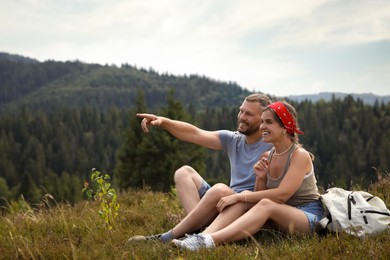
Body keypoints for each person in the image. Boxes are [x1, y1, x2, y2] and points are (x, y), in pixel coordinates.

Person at [172, 101, 324, 250]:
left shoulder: (299, 155)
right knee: (256, 203)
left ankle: (207, 241)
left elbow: (281, 196)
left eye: (269, 122)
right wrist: (261, 177)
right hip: (281, 216)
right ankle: (200, 236)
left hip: (307, 216)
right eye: (262, 121)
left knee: (263, 204)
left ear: (285, 127)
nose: (262, 126)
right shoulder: (268, 155)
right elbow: (258, 197)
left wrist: (239, 196)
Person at [128, 93, 273, 242]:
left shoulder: (272, 145)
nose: (241, 116)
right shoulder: (233, 139)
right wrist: (164, 121)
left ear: (263, 119)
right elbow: (194, 133)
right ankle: (196, 230)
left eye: (248, 114)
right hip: (225, 204)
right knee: (183, 173)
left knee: (220, 190)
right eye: (241, 111)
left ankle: (167, 237)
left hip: (246, 209)